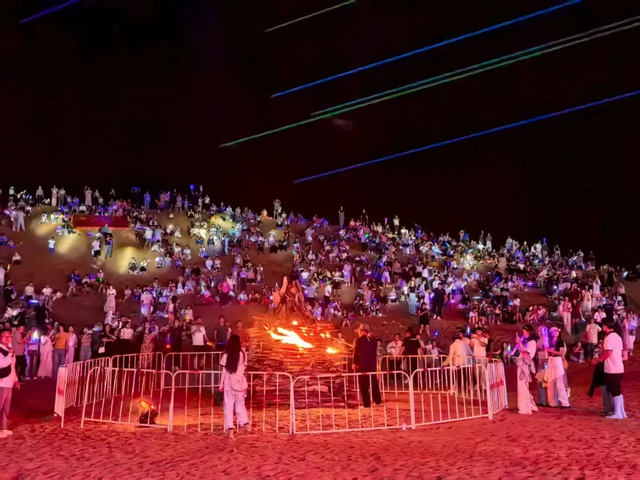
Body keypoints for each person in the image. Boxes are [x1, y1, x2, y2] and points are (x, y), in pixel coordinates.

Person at [219, 334, 250, 438]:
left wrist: (221, 383)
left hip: (229, 383)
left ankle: (230, 429)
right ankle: (246, 424)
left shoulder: (226, 355)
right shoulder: (243, 354)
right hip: (240, 382)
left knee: (228, 406)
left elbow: (224, 371)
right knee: (240, 404)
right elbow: (244, 368)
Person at [598, 320, 626, 419]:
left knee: (614, 391)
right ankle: (621, 411)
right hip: (618, 367)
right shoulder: (618, 337)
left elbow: (608, 353)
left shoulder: (609, 338)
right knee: (617, 390)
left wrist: (598, 360)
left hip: (612, 369)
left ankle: (618, 413)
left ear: (606, 326)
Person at [352, 324, 381, 408]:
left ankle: (366, 404)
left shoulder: (358, 340)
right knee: (374, 384)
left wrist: (354, 363)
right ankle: (378, 401)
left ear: (362, 331)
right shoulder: (373, 341)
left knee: (363, 386)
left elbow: (355, 352)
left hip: (362, 366)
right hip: (372, 366)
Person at [0, 329, 20, 438]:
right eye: (4, 336)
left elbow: (12, 366)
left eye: (9, 336)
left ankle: (3, 428)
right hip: (1, 382)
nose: (7, 338)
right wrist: (9, 355)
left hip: (9, 382)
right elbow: (2, 364)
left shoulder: (9, 350)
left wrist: (15, 379)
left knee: (5, 407)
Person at [515, 325, 537, 415]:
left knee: (523, 386)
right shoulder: (528, 342)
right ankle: (530, 405)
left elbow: (526, 355)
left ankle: (525, 407)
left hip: (525, 366)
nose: (524, 334)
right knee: (523, 386)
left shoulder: (532, 343)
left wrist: (520, 343)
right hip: (522, 365)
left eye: (525, 332)